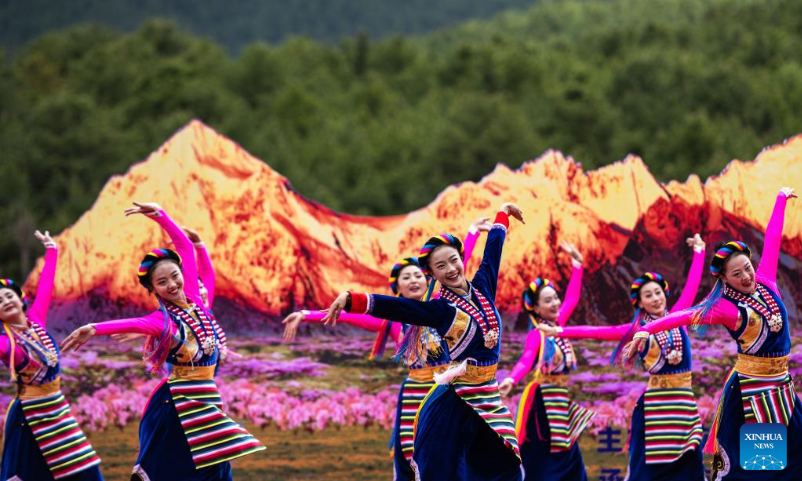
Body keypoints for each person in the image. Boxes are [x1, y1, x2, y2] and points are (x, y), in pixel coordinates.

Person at [61, 202, 264, 481]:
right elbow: (131, 323)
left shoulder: (195, 297)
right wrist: (94, 328)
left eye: (174, 276)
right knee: (182, 470)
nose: (171, 284)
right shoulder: (162, 320)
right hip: (177, 405)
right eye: (162, 282)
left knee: (216, 465)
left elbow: (184, 246)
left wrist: (159, 215)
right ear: (153, 289)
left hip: (205, 397)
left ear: (183, 275)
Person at [323, 203, 525, 480]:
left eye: (453, 260)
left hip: (487, 394)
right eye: (440, 266)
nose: (451, 269)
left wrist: (503, 215)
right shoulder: (440, 309)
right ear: (432, 274)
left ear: (461, 258)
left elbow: (493, 251)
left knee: (504, 465)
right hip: (459, 399)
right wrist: (352, 300)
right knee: (446, 468)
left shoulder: (483, 286)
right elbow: (399, 308)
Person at [622, 187, 798, 480]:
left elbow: (773, 240)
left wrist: (780, 200)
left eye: (747, 268)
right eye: (737, 274)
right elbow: (683, 314)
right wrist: (645, 330)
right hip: (755, 394)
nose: (746, 276)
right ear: (725, 279)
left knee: (794, 457)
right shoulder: (727, 308)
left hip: (781, 387)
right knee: (764, 465)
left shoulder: (766, 280)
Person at [540, 234, 707, 480]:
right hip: (655, 408)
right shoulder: (635, 331)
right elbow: (597, 332)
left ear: (665, 294)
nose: (655, 298)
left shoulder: (679, 316)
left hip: (683, 403)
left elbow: (692, 285)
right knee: (649, 471)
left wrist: (700, 252)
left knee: (690, 467)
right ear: (639, 303)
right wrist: (560, 331)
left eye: (658, 293)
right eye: (648, 295)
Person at [0, 230, 103, 480]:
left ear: (20, 299)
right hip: (30, 415)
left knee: (85, 470)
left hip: (56, 407)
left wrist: (52, 250)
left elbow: (46, 284)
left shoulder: (36, 320)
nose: (4, 301)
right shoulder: (4, 342)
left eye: (8, 295)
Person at [497, 241, 592, 480]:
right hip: (542, 406)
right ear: (537, 309)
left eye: (555, 298)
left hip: (560, 400)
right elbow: (526, 360)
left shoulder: (558, 327)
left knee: (568, 455)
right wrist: (511, 378)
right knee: (545, 459)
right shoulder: (537, 334)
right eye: (548, 301)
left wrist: (577, 265)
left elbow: (572, 299)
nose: (556, 304)